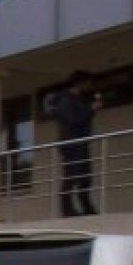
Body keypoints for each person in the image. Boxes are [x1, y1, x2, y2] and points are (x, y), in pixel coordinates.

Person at [51, 70, 102, 217]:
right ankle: (67, 210)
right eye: (88, 83)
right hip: (70, 143)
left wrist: (90, 110)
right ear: (80, 83)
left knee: (86, 176)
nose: (90, 86)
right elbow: (73, 120)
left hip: (81, 141)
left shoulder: (80, 100)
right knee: (72, 175)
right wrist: (91, 110)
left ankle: (87, 206)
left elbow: (82, 119)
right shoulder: (65, 101)